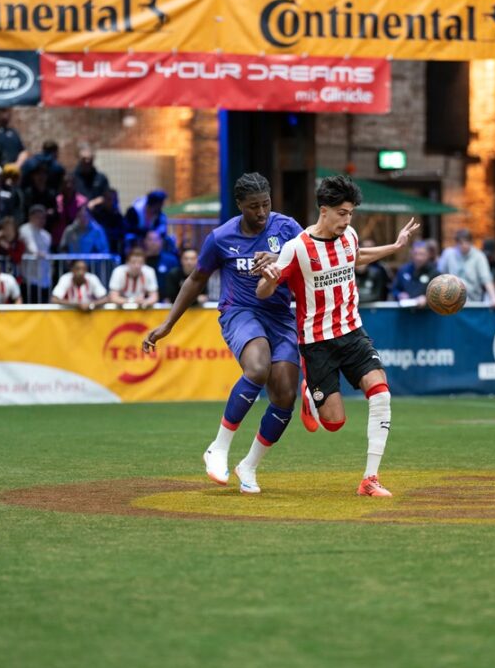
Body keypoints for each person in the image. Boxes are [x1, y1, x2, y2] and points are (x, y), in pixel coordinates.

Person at [257, 175, 419, 498]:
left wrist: (396, 246)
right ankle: (309, 394)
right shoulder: (297, 248)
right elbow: (263, 292)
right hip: (317, 342)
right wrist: (270, 279)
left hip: (353, 332)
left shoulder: (350, 236)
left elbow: (357, 256)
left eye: (351, 214)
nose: (347, 220)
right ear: (324, 210)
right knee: (333, 422)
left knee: (381, 394)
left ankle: (370, 479)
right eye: (342, 213)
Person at [142, 173, 303, 495]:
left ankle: (249, 466)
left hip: (280, 316)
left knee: (285, 395)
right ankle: (218, 447)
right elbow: (196, 279)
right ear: (239, 205)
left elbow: (311, 261)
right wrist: (168, 324)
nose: (261, 212)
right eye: (253, 206)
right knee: (257, 368)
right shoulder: (220, 238)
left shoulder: (287, 228)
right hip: (240, 311)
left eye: (266, 204)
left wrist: (280, 259)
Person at [438, 229, 495, 307]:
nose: (464, 245)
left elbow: (486, 279)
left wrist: (494, 297)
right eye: (461, 243)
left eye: (467, 242)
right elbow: (440, 277)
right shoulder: (448, 254)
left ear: (471, 242)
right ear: (456, 243)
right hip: (451, 300)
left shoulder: (479, 256)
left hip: (473, 301)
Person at [18, 205, 52, 303]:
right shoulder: (24, 229)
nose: (41, 220)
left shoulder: (47, 235)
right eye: (38, 217)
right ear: (30, 217)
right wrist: (37, 253)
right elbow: (30, 245)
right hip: (29, 279)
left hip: (45, 280)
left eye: (43, 217)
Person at [390, 239, 438, 305]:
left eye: (422, 254)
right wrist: (399, 295)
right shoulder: (403, 270)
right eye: (416, 253)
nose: (418, 258)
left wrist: (427, 299)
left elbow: (439, 295)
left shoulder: (435, 273)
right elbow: (394, 289)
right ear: (411, 254)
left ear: (428, 255)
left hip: (426, 309)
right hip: (405, 308)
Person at [51, 171, 88, 249]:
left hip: (77, 242)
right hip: (58, 241)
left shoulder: (82, 201)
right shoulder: (57, 200)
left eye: (71, 182)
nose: (68, 185)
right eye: (66, 183)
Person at [143, 230, 179, 301]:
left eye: (156, 239)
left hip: (167, 301)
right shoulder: (139, 261)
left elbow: (176, 281)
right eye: (150, 239)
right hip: (143, 300)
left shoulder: (171, 260)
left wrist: (171, 298)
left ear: (161, 241)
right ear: (145, 241)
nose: (153, 242)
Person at [90, 188, 125, 256]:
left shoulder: (118, 217)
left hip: (114, 251)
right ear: (104, 200)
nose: (112, 202)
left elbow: (121, 235)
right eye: (109, 199)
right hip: (98, 251)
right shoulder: (96, 214)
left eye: (114, 200)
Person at [355, 237, 390, 303]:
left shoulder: (380, 269)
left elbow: (383, 290)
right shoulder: (351, 271)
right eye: (365, 248)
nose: (369, 250)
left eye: (371, 248)